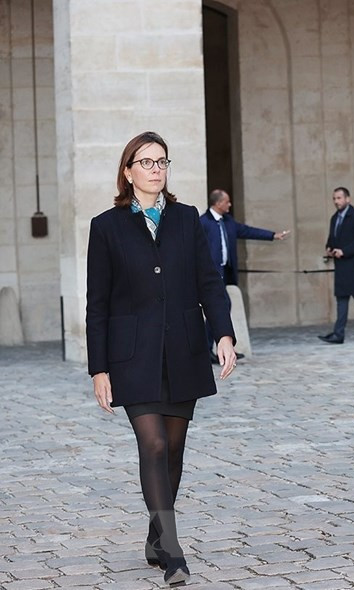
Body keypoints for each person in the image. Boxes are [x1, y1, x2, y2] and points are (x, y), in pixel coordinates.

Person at [87, 131, 237, 586]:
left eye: (162, 162)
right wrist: (99, 368)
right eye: (146, 162)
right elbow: (98, 304)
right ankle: (172, 552)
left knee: (173, 451)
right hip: (132, 356)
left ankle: (155, 534)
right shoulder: (106, 225)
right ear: (128, 170)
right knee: (152, 444)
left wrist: (224, 333)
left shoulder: (187, 219)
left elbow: (209, 281)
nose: (156, 169)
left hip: (184, 351)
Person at [199, 189, 288, 361]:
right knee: (221, 306)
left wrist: (273, 236)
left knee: (220, 308)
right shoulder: (203, 223)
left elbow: (247, 231)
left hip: (225, 274)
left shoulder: (228, 222)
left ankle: (214, 349)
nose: (230, 205)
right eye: (227, 202)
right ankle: (210, 349)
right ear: (218, 204)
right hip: (211, 276)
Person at [319, 187, 354, 344]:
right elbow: (333, 237)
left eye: (339, 198)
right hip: (341, 267)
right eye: (334, 198)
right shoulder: (335, 218)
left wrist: (344, 251)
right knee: (341, 300)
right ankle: (338, 334)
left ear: (348, 199)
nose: (336, 201)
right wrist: (329, 247)